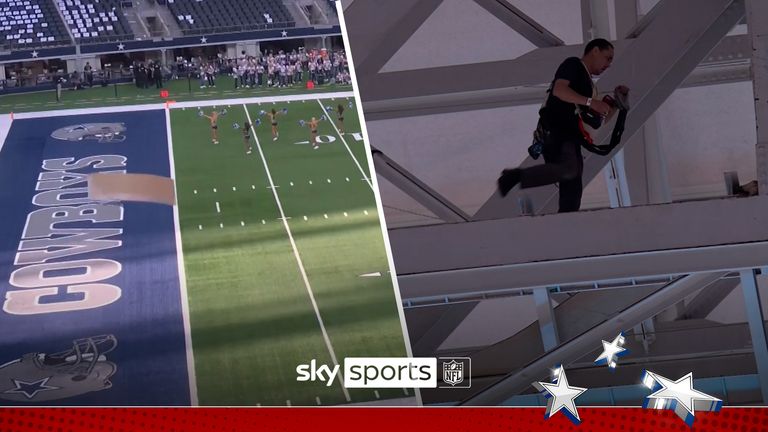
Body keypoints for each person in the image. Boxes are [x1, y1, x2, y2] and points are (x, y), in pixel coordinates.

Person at [497, 38, 623, 213]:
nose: (608, 64)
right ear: (594, 50)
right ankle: (514, 177)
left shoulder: (589, 86)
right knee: (571, 171)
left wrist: (615, 105)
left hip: (569, 135)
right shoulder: (574, 65)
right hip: (558, 129)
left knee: (573, 187)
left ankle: (565, 223)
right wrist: (591, 102)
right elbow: (559, 90)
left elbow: (595, 123)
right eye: (607, 57)